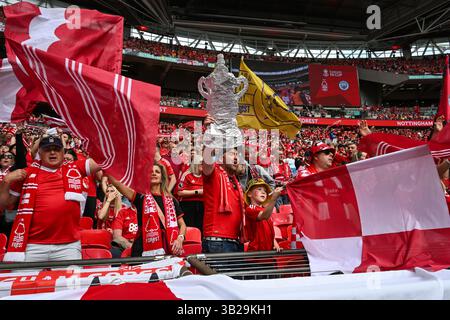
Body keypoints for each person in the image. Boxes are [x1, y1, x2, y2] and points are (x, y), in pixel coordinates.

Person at [0, 135, 100, 262]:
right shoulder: (26, 173)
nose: (52, 152)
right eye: (47, 149)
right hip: (32, 245)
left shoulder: (75, 168)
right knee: (24, 282)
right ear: (40, 153)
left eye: (57, 149)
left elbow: (105, 161)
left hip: (68, 246)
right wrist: (6, 181)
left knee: (71, 282)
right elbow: (4, 204)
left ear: (63, 152)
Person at [107, 161, 186, 257]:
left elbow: (182, 225)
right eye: (151, 172)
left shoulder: (171, 200)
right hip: (142, 250)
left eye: (157, 172)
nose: (154, 173)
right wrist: (106, 165)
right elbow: (117, 184)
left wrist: (180, 238)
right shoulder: (140, 196)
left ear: (162, 178)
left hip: (168, 247)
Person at [201, 114, 245, 254]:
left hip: (236, 239)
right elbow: (207, 159)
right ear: (221, 156)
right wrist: (209, 131)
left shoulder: (235, 180)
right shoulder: (214, 173)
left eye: (238, 155)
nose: (236, 158)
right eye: (232, 154)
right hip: (217, 240)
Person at [244, 178, 284, 252]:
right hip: (256, 256)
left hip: (268, 255)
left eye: (265, 191)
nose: (263, 192)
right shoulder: (250, 208)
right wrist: (274, 198)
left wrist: (275, 245)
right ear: (249, 194)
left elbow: (269, 232)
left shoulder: (265, 210)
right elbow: (264, 216)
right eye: (259, 189)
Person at [177, 155, 204, 233]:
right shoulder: (186, 175)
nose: (203, 165)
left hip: (202, 205)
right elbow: (180, 192)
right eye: (201, 163)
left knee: (200, 228)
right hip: (188, 205)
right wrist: (197, 192)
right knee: (189, 227)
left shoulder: (205, 176)